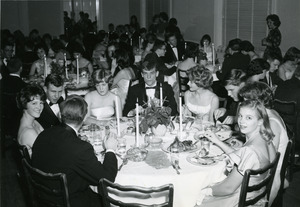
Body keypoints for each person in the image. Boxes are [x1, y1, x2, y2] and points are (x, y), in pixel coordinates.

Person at [31, 95, 118, 207]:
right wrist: (110, 149)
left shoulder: (44, 133)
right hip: (67, 200)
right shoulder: (81, 149)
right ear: (84, 116)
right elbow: (107, 178)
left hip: (42, 195)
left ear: (60, 115)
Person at [200, 99, 276, 207]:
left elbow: (228, 188)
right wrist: (217, 141)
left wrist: (202, 191)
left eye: (248, 118)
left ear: (260, 121)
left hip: (240, 200)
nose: (241, 121)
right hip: (256, 197)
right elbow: (243, 158)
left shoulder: (250, 150)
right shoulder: (265, 138)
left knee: (192, 197)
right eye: (240, 116)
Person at [239, 81, 289, 205]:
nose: (243, 104)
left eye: (247, 101)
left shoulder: (270, 122)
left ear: (258, 102)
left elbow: (270, 160)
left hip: (269, 177)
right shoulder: (268, 114)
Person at [16, 84, 46, 156]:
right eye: (34, 103)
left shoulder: (33, 122)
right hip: (42, 165)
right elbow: (46, 155)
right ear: (24, 104)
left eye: (41, 103)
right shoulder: (29, 132)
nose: (39, 107)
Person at [1, 58, 27, 137]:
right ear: (21, 68)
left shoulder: (1, 82)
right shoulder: (24, 86)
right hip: (17, 118)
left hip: (3, 116)